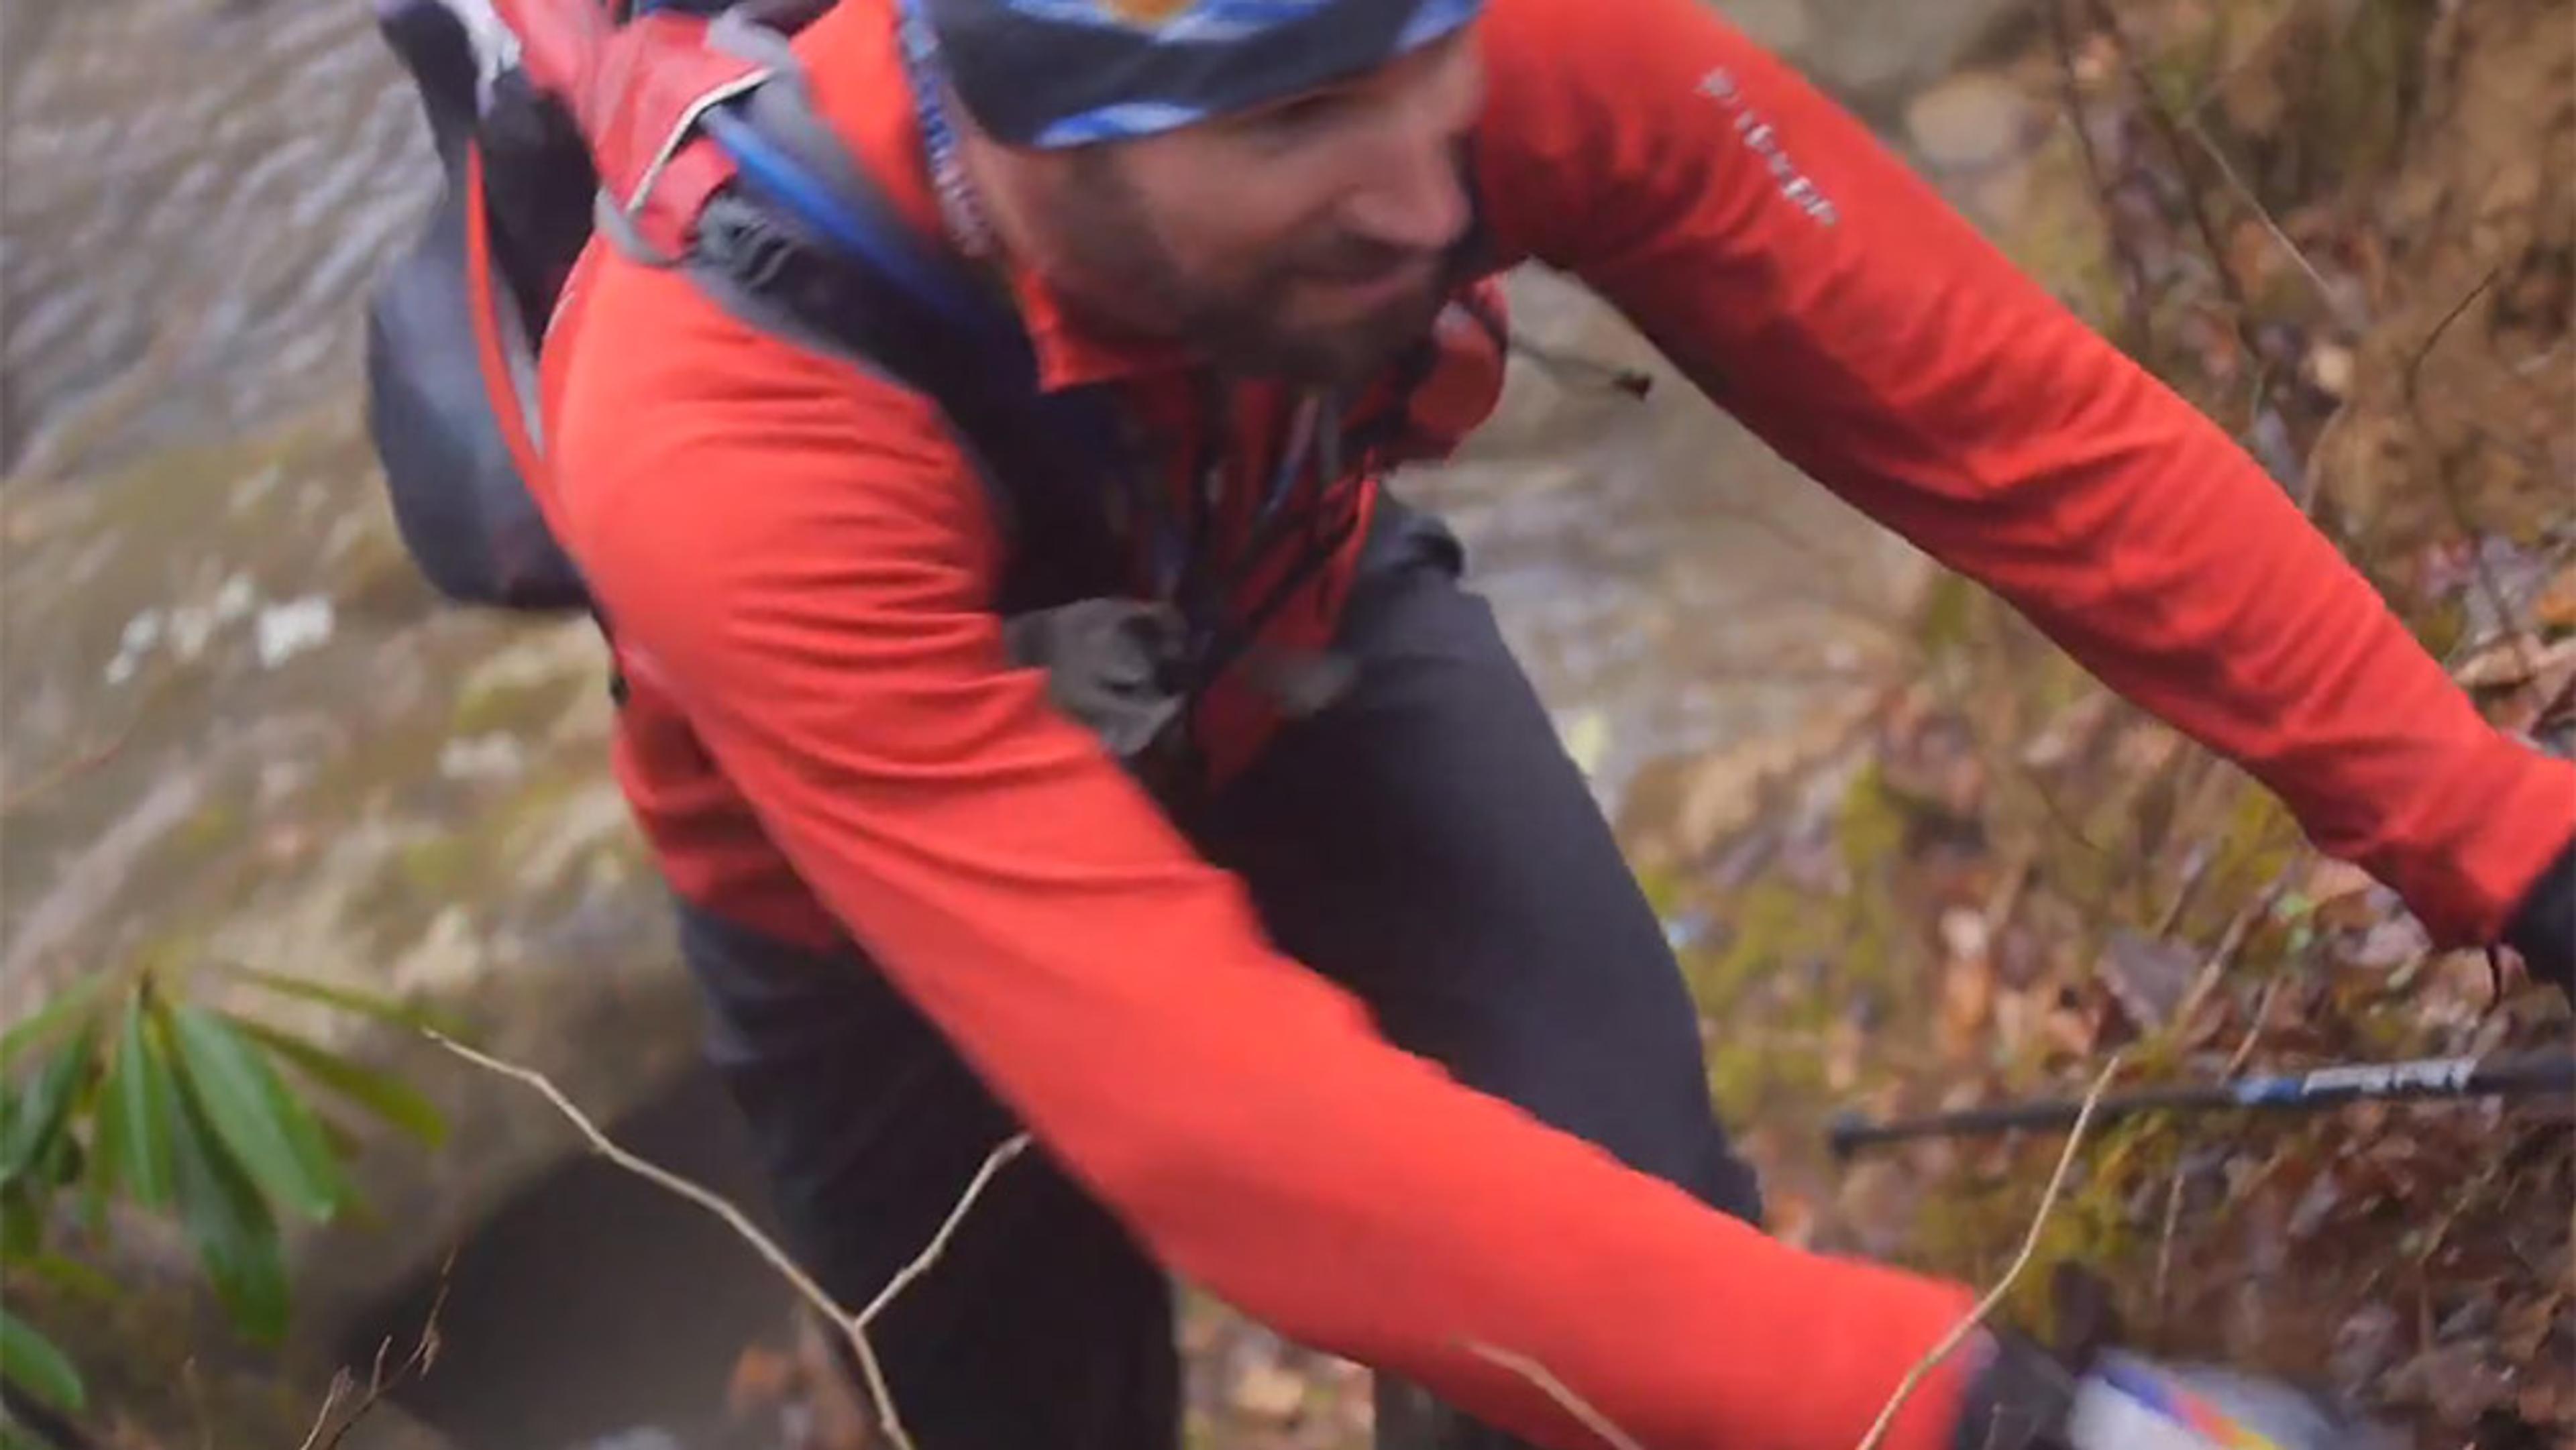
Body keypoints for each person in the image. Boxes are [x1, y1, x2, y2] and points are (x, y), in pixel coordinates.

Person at [512, 0, 2576, 1443]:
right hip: (852, 899)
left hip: (1281, 626)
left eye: (1429, 67)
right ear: (1036, 129)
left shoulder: (1474, 59)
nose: (1430, 200)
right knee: (1031, 1409)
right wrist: (1978, 1415)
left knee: (1634, 1247)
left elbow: (2019, 432)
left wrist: (2514, 838)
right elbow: (1223, 1115)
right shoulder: (720, 435)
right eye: (1295, 127)